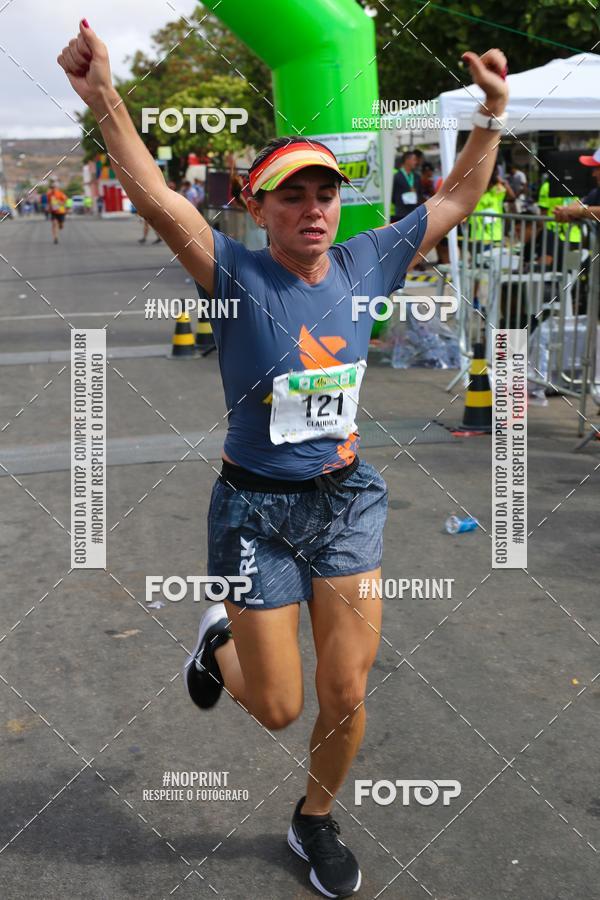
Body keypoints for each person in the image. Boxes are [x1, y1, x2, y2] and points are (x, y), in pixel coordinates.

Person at [58, 23, 508, 897]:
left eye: (325, 192)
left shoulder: (367, 258)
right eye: (290, 195)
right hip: (254, 510)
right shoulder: (230, 273)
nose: (312, 207)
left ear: (341, 203)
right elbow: (155, 196)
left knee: (345, 687)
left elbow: (456, 197)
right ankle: (214, 638)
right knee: (277, 707)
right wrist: (106, 97)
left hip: (346, 501)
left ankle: (313, 819)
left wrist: (493, 112)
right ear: (258, 208)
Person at [390, 150, 421, 223]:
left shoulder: (416, 177)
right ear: (407, 160)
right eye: (414, 160)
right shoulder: (396, 177)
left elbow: (420, 193)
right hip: (401, 213)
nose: (416, 162)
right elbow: (392, 196)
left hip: (414, 212)